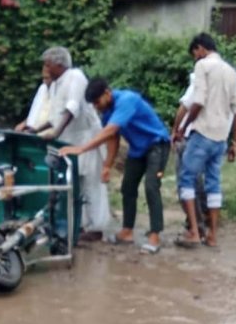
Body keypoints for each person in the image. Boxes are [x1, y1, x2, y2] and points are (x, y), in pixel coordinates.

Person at [59, 77, 171, 254]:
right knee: (127, 187)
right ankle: (127, 231)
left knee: (151, 187)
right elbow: (113, 139)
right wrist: (106, 166)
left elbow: (110, 130)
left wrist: (81, 149)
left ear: (107, 93)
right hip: (138, 149)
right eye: (94, 105)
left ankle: (154, 236)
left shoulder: (127, 100)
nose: (97, 107)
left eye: (97, 102)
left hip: (157, 145)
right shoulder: (108, 111)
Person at [33, 46, 110, 241]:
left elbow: (72, 108)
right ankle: (80, 224)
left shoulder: (75, 76)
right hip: (69, 140)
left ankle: (96, 227)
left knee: (91, 182)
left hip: (87, 137)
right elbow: (55, 116)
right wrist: (35, 130)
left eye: (48, 64)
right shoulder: (57, 84)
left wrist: (56, 132)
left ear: (59, 64)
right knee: (74, 182)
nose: (46, 68)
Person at [174, 32, 236, 249]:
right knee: (214, 185)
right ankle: (212, 235)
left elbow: (198, 101)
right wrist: (235, 143)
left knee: (186, 178)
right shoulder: (231, 72)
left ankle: (194, 231)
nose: (196, 58)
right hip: (221, 139)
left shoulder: (203, 67)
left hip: (202, 134)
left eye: (196, 54)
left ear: (201, 49)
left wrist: (183, 127)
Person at [171, 72, 208, 238]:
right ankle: (205, 220)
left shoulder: (198, 85)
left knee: (185, 183)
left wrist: (176, 129)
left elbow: (185, 107)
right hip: (207, 138)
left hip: (189, 137)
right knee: (199, 181)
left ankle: (195, 227)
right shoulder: (224, 84)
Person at [15, 65, 52, 133]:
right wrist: (24, 123)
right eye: (43, 78)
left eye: (47, 78)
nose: (44, 81)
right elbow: (35, 110)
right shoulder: (43, 88)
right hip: (32, 130)